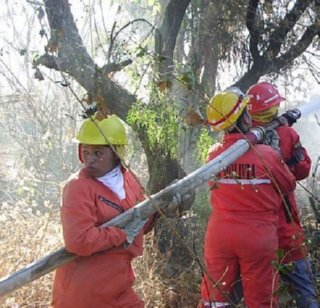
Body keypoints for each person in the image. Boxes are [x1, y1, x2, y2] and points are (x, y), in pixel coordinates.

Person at [198, 90, 296, 307]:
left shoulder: (214, 155)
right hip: (257, 236)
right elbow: (288, 184)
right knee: (260, 299)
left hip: (219, 234)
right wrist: (276, 151)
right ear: (244, 118)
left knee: (214, 298)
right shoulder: (266, 155)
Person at [52, 113, 153, 308]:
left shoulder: (129, 179)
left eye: (98, 153)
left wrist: (162, 209)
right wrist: (121, 234)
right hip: (83, 291)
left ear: (116, 152)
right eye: (86, 151)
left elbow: (140, 220)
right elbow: (78, 240)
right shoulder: (77, 187)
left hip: (119, 284)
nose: (89, 159)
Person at [247, 81, 319, 308]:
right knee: (304, 287)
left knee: (257, 292)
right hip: (285, 228)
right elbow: (303, 168)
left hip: (252, 232)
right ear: (274, 108)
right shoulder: (286, 133)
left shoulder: (241, 137)